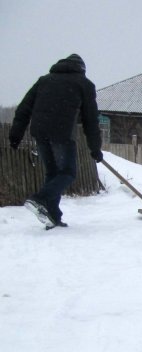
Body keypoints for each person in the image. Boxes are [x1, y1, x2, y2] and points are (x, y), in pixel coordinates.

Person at [8, 53, 103, 228]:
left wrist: (16, 135)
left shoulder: (44, 81)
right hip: (62, 134)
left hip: (40, 132)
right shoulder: (84, 84)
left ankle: (52, 215)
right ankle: (40, 199)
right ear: (82, 70)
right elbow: (91, 120)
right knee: (68, 173)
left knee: (53, 174)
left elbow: (23, 108)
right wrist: (95, 148)